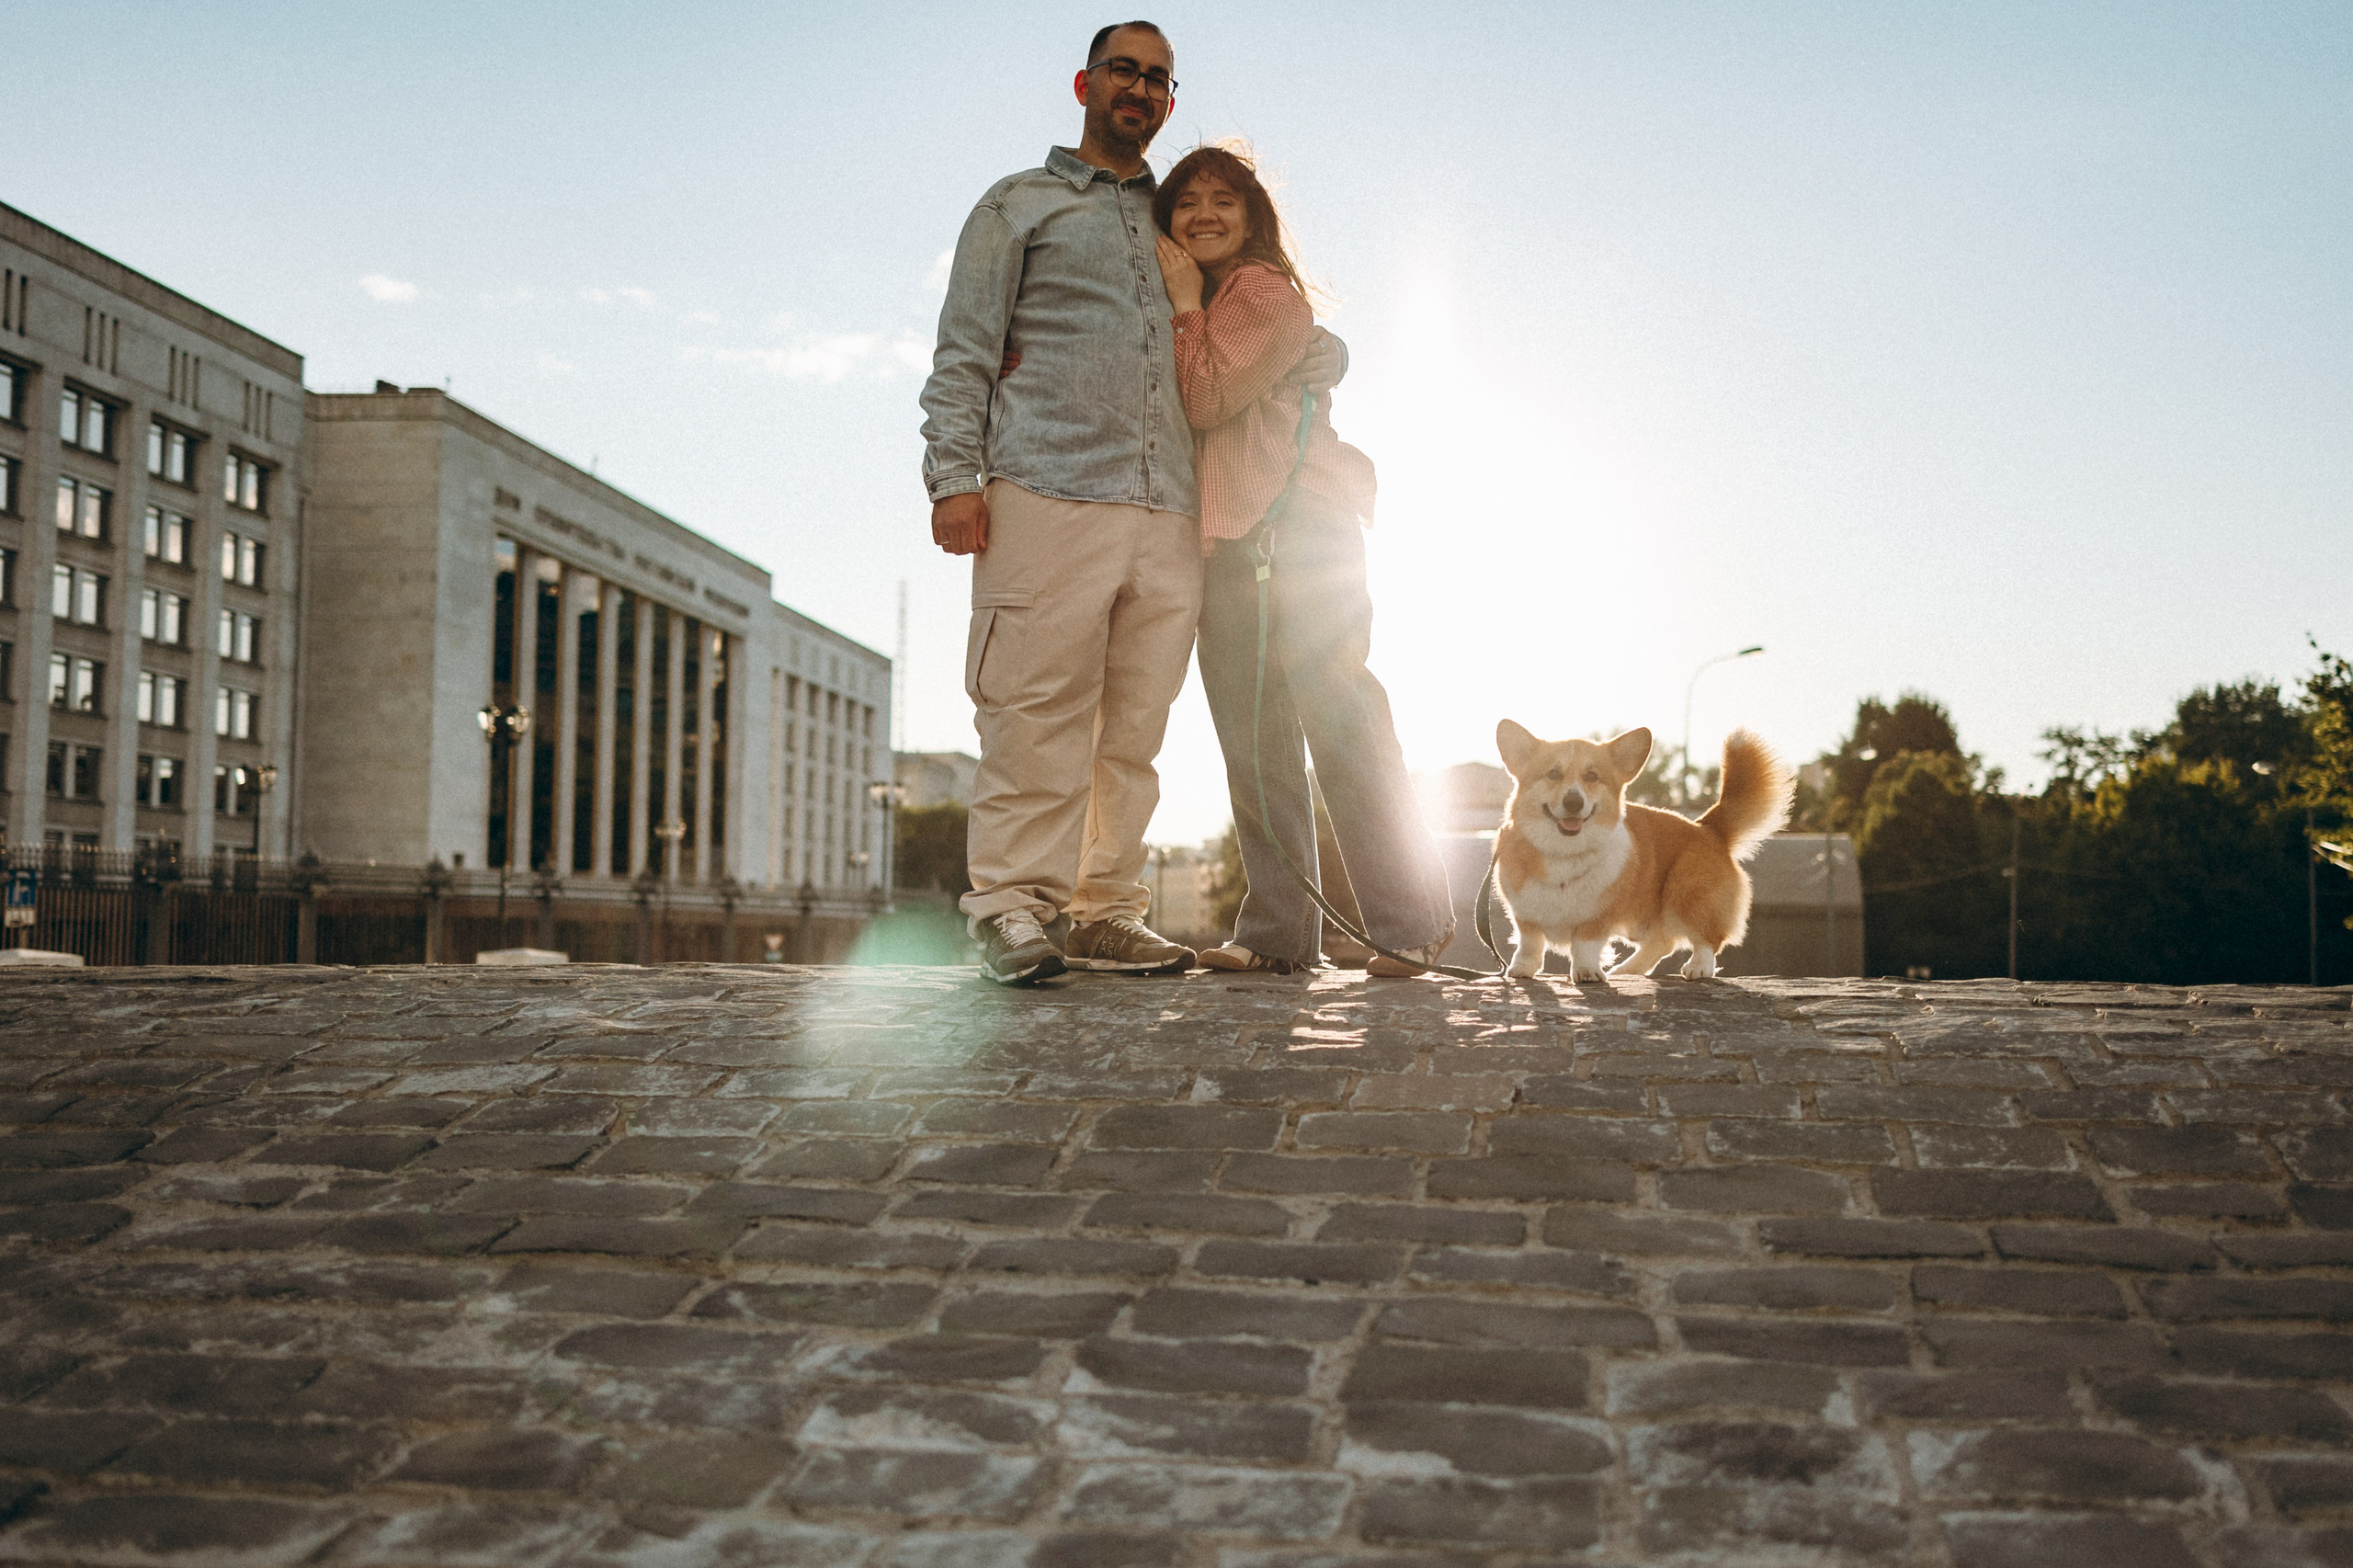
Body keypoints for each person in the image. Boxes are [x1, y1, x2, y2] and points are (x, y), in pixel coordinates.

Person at [919, 22, 1340, 985]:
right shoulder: (1016, 205)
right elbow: (965, 351)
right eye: (1124, 69)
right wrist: (954, 478)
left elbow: (1272, 315)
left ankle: (1104, 908)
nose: (1139, 87)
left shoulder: (1181, 216)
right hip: (1046, 488)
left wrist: (1332, 352)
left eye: (1158, 78)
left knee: (1133, 727)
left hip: (1170, 513)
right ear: (1084, 81)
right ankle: (1012, 905)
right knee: (1033, 706)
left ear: (1167, 100)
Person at [1154, 143, 1454, 975]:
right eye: (1187, 203)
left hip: (1304, 527)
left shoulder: (1262, 293)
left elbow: (1207, 397)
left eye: (1224, 201)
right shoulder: (1207, 301)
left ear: (1253, 219)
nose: (1205, 214)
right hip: (1225, 541)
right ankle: (1281, 934)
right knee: (1255, 746)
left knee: (1342, 722)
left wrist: (1183, 303)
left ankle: (1412, 922)